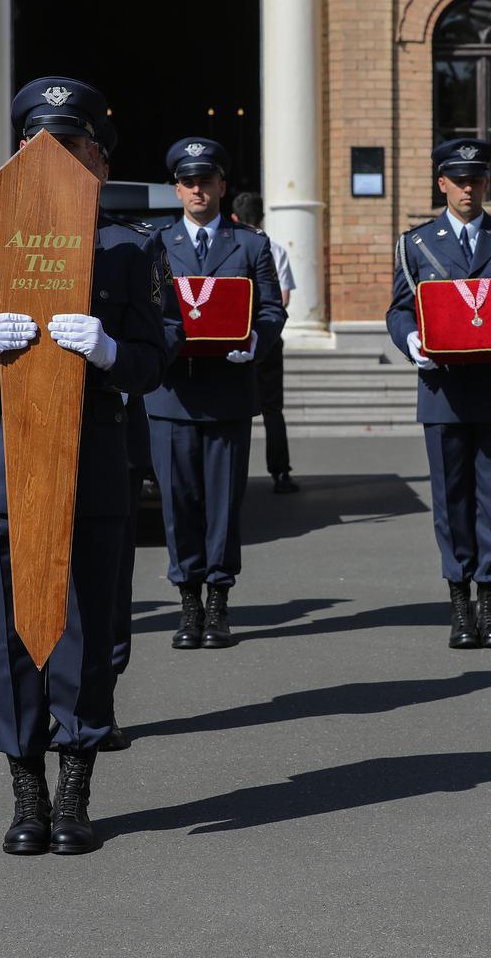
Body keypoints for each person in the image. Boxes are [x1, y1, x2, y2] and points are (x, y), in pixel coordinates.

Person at [0, 77, 168, 855]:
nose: (56, 157)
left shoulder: (131, 247)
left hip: (92, 458)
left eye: (70, 145)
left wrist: (107, 352)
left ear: (95, 158)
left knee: (82, 630)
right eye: (40, 144)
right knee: (7, 637)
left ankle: (75, 788)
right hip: (4, 465)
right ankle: (25, 789)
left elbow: (154, 356)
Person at [386, 137, 491, 649]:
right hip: (443, 390)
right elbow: (399, 309)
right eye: (459, 180)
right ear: (442, 184)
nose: (468, 188)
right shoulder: (416, 244)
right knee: (451, 499)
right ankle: (459, 604)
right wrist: (412, 341)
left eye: (476, 179)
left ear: (485, 183)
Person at [146, 138, 286, 651]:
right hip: (173, 394)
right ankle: (188, 601)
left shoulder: (250, 245)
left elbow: (271, 310)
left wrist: (255, 339)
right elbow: (146, 313)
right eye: (189, 182)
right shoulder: (156, 245)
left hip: (228, 390)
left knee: (224, 503)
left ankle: (220, 600)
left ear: (222, 186)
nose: (198, 189)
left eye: (207, 180)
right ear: (177, 189)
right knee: (178, 502)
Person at [92, 113, 185, 751]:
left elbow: (164, 333)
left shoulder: (132, 244)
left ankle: (103, 692)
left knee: (109, 578)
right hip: (24, 441)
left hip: (112, 432)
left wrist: (114, 357)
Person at [231, 191, 299, 494]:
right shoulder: (277, 249)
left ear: (233, 218)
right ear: (262, 218)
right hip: (268, 337)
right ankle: (280, 472)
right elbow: (282, 299)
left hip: (234, 335)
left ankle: (233, 475)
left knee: (233, 406)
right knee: (272, 408)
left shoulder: (231, 246)